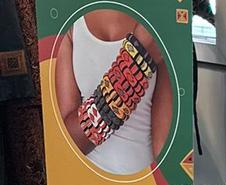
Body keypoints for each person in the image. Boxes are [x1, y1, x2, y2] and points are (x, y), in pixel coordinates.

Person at [54, 9, 172, 176]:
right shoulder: (70, 22)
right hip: (83, 182)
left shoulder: (157, 20)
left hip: (142, 181)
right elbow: (69, 140)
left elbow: (164, 147)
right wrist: (134, 62)